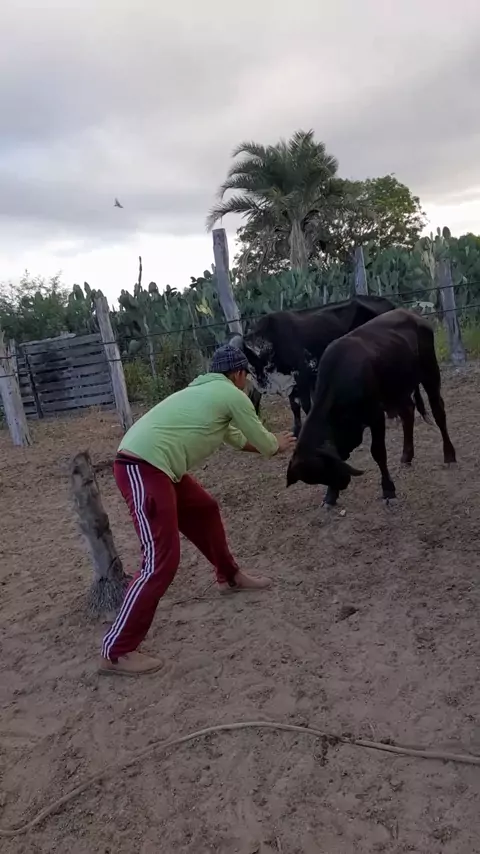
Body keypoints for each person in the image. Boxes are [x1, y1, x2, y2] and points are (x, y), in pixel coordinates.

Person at [100, 344, 296, 676]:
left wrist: (270, 444)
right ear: (239, 374)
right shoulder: (231, 395)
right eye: (246, 377)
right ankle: (116, 652)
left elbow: (238, 440)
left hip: (158, 467)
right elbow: (265, 444)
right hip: (143, 468)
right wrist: (280, 442)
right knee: (160, 561)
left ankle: (230, 577)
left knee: (204, 509)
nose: (247, 383)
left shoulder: (207, 394)